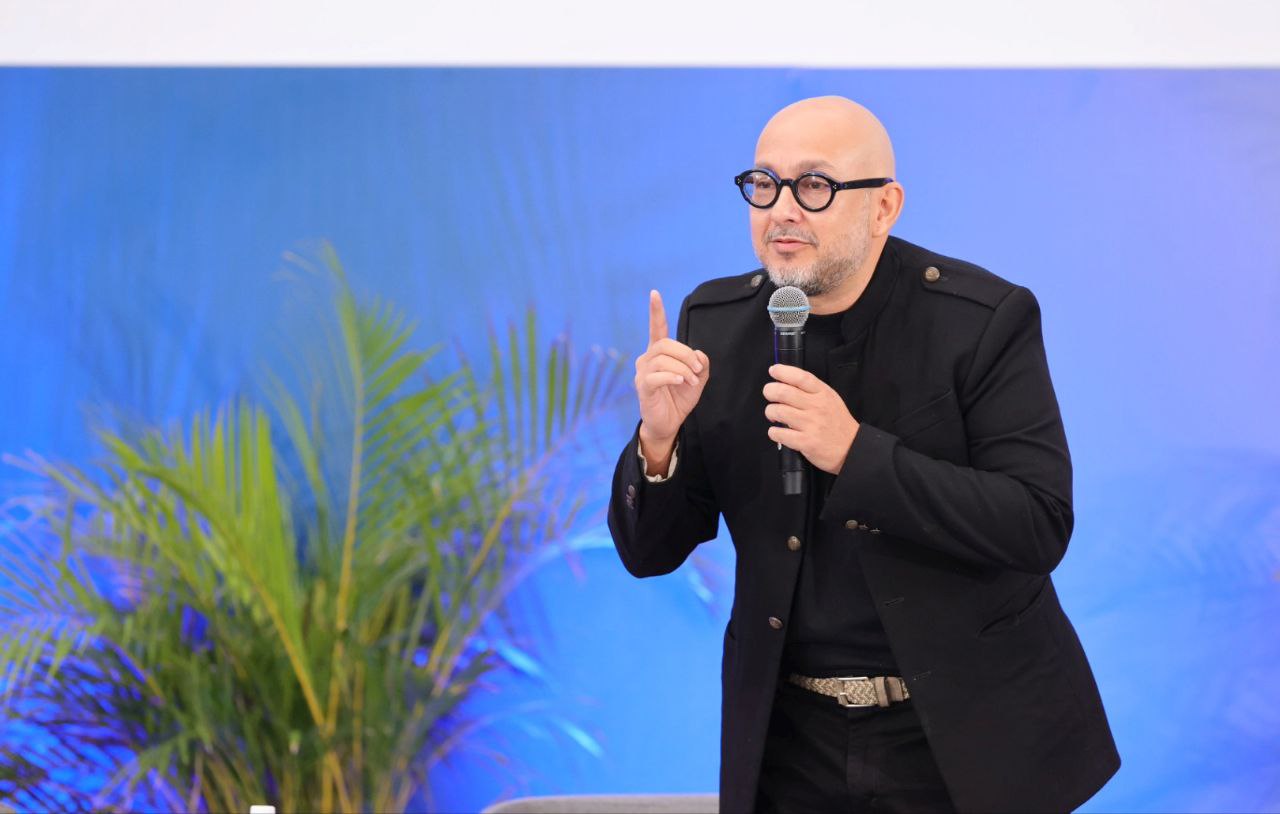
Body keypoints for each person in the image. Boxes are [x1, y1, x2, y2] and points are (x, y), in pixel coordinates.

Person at [607, 96, 1120, 813]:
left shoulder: (980, 322)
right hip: (791, 739)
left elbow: (1037, 523)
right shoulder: (714, 325)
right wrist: (657, 444)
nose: (782, 210)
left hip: (963, 734)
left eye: (814, 185)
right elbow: (650, 553)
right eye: (765, 184)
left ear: (884, 208)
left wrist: (856, 454)